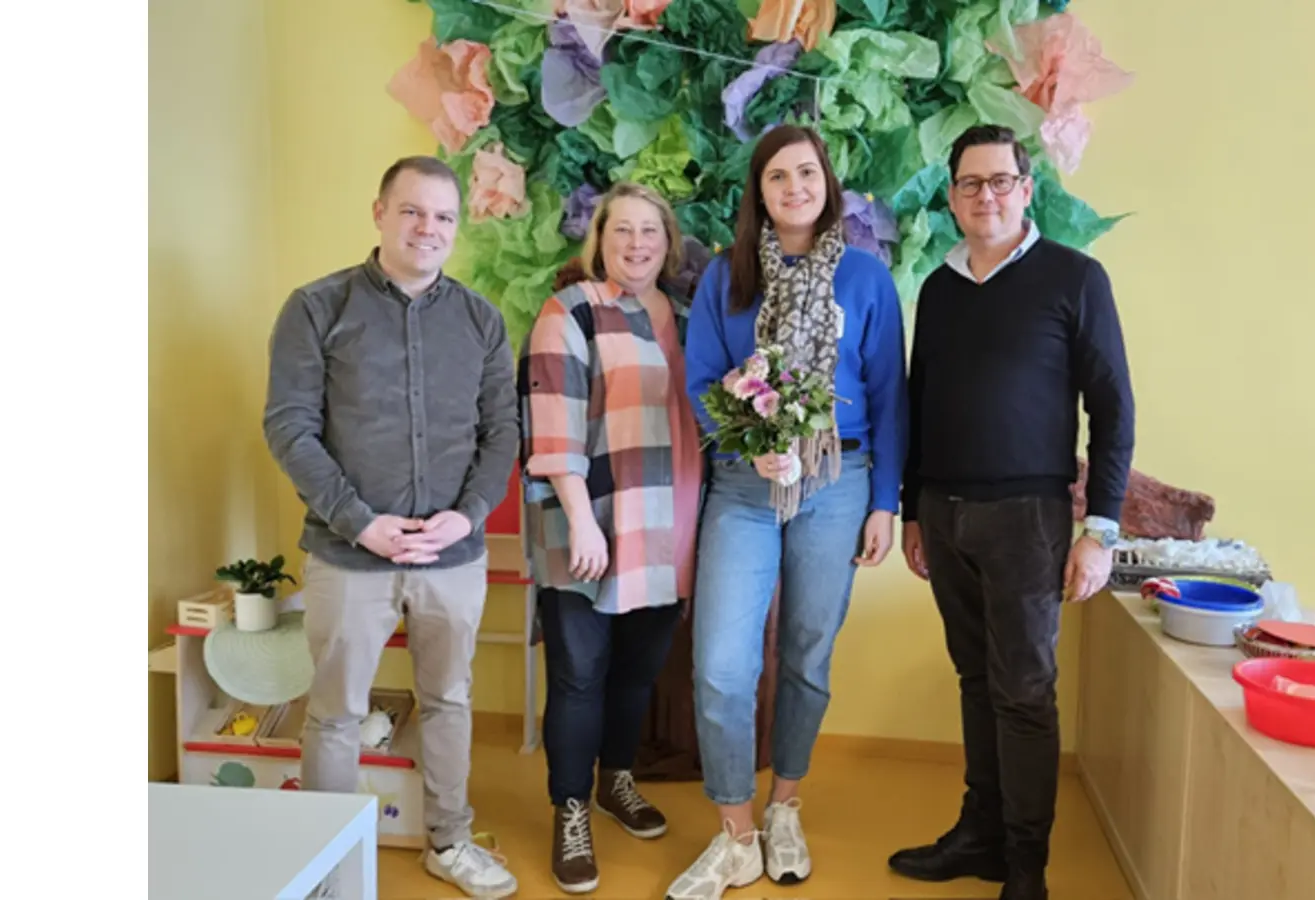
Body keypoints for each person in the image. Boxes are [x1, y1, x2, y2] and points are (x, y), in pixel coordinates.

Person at [263, 156, 521, 899]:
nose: (427, 228)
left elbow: (502, 432)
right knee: (336, 714)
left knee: (449, 701)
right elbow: (289, 427)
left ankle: (449, 841)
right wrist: (360, 522)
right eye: (412, 211)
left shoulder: (480, 320)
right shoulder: (317, 308)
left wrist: (466, 515)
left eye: (443, 216)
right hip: (349, 556)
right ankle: (326, 870)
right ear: (379, 212)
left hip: (453, 557)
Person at [888, 125, 1135, 900]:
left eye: (1001, 181)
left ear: (1027, 190)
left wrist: (1100, 529)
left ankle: (1027, 865)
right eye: (971, 183)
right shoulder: (939, 288)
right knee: (975, 679)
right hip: (943, 513)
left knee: (1023, 692)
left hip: (1028, 518)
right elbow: (918, 401)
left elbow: (1113, 408)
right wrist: (912, 511)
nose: (985, 196)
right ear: (952, 196)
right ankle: (982, 835)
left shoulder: (1075, 278)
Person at [665, 124, 909, 900]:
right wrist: (747, 443)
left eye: (807, 173)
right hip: (744, 487)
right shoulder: (726, 277)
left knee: (806, 653)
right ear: (760, 193)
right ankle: (736, 834)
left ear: (826, 183)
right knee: (721, 664)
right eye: (778, 176)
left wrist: (885, 503)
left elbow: (890, 396)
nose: (795, 187)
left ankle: (785, 808)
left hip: (838, 482)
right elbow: (703, 379)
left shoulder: (866, 278)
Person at [517, 182, 705, 895]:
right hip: (586, 526)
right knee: (578, 676)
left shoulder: (686, 318)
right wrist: (580, 519)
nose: (636, 244)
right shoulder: (572, 311)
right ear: (599, 240)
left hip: (668, 528)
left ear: (668, 242)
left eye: (649, 231)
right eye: (621, 230)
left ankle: (615, 781)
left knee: (636, 673)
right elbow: (551, 424)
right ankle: (570, 809)